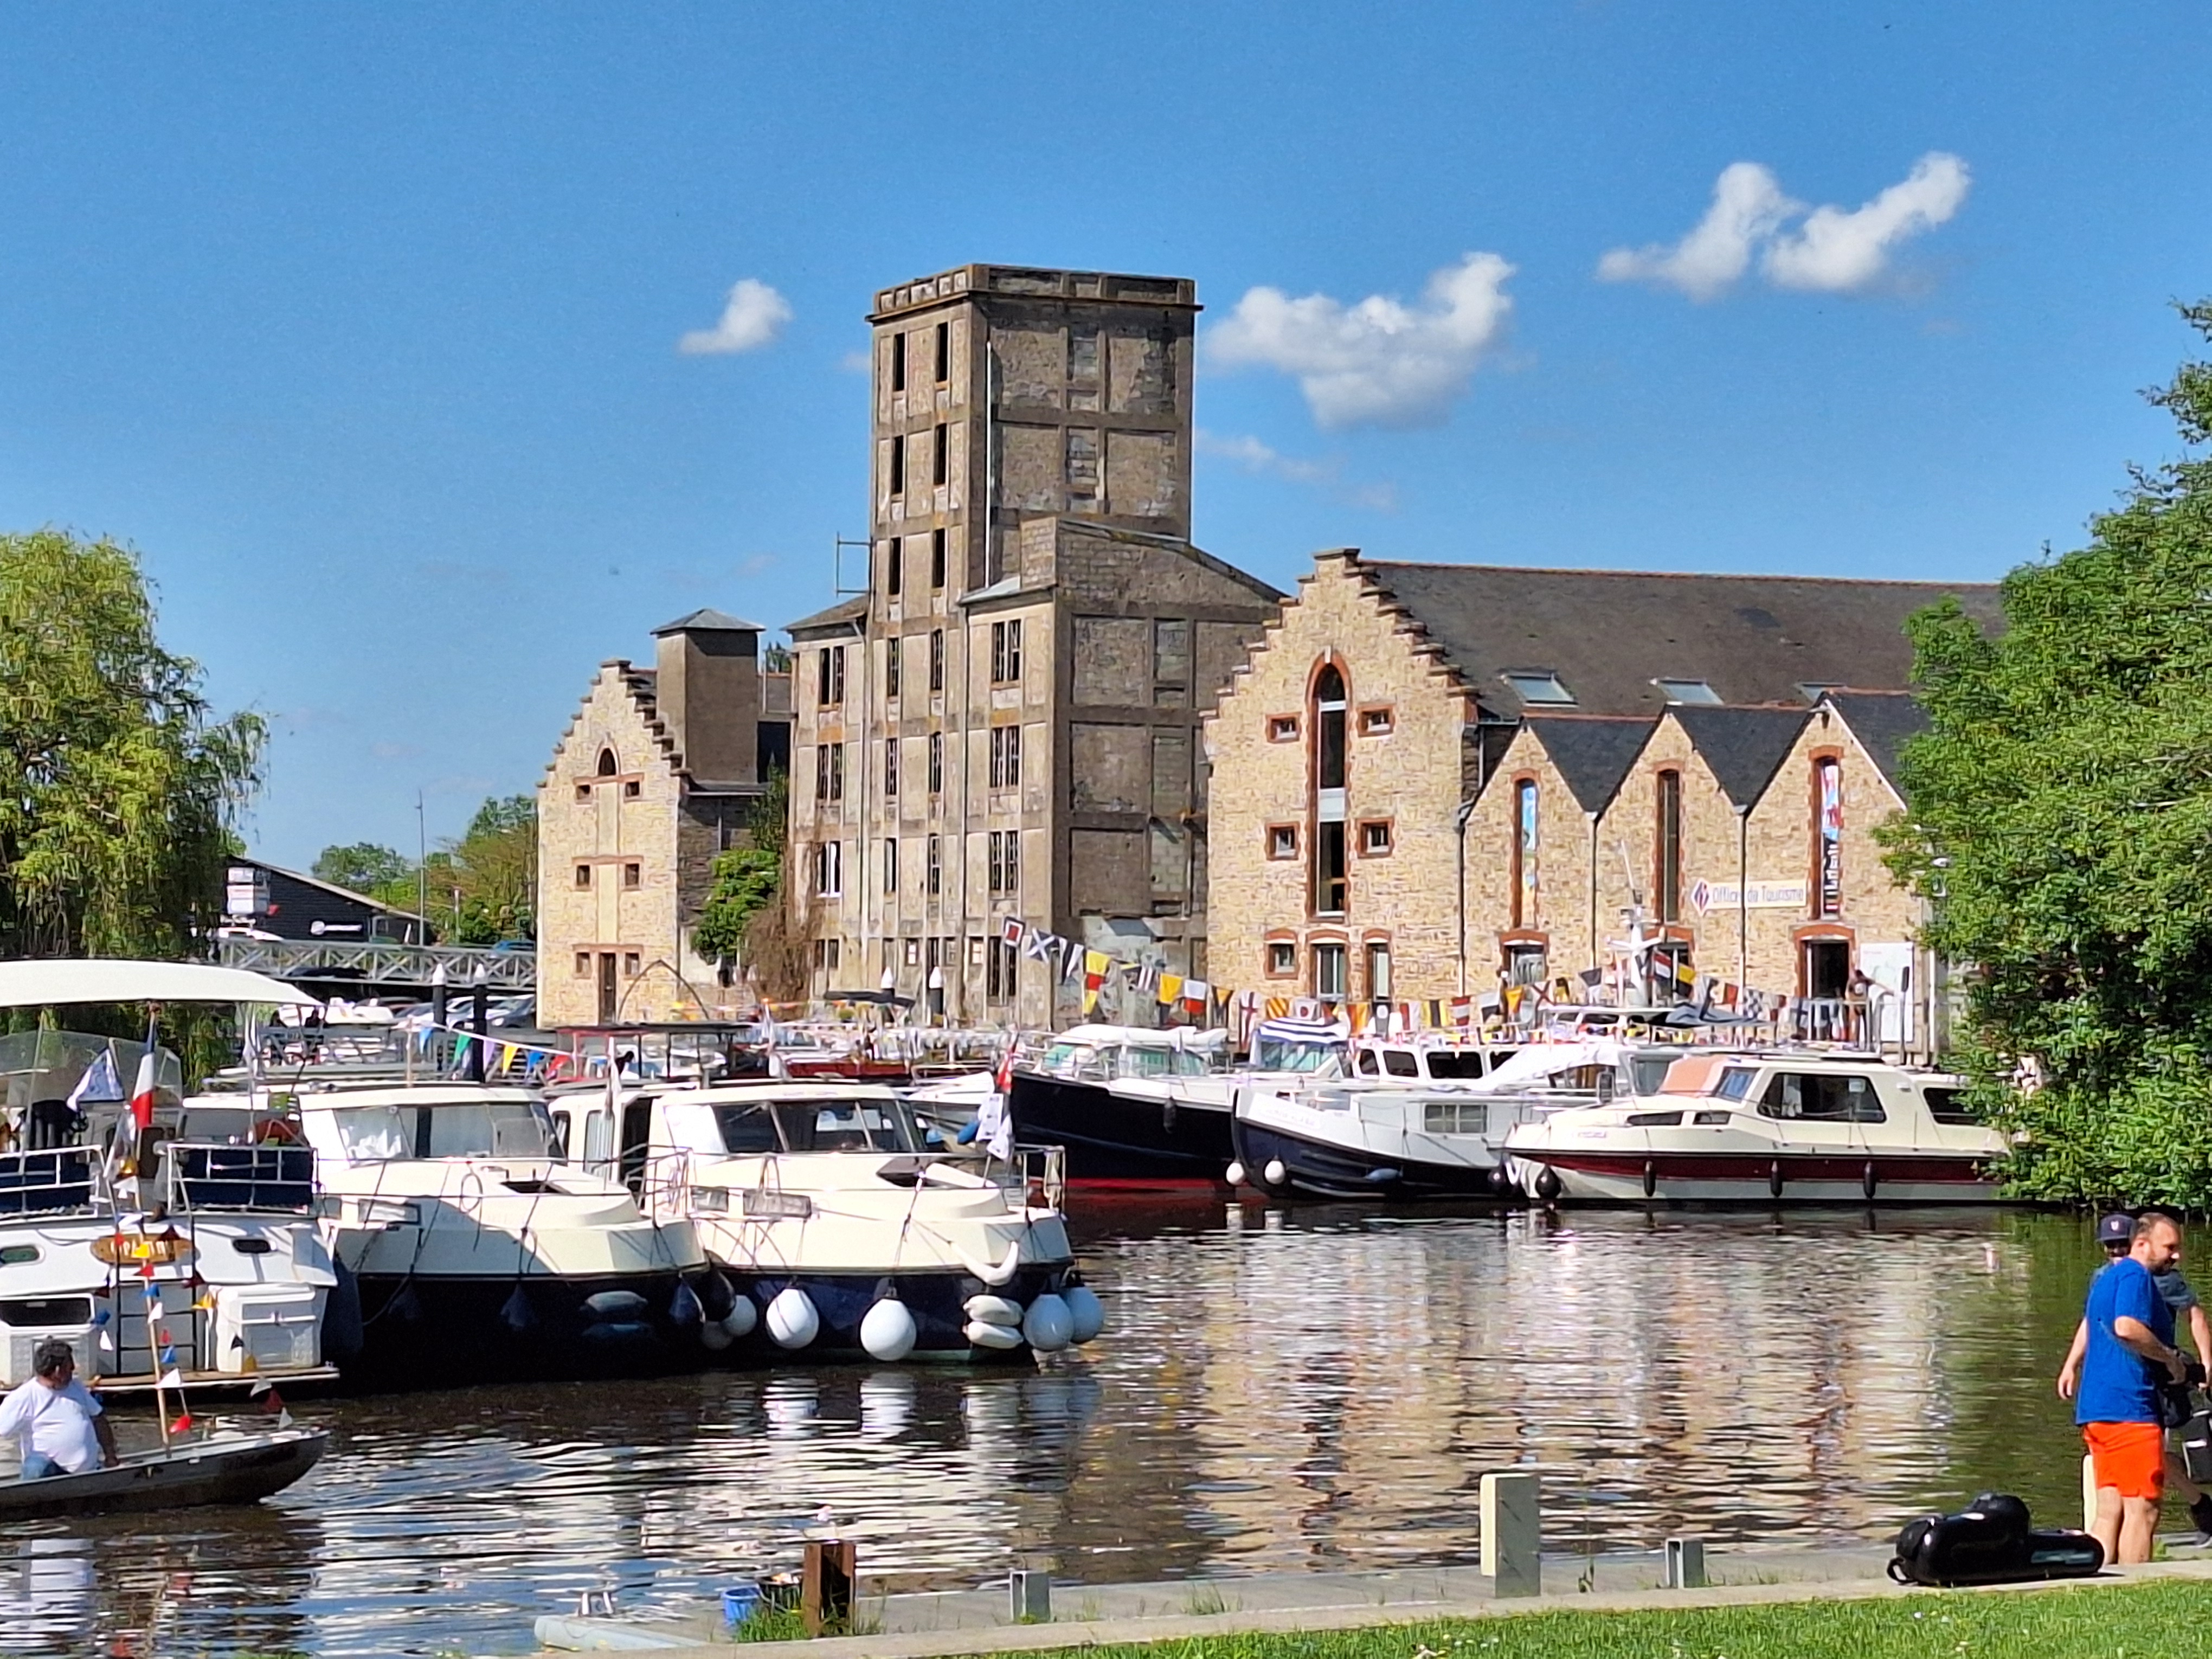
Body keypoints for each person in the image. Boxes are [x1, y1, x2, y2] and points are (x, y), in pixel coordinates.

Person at [2058, 1212, 2212, 1538]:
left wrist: (2204, 1363)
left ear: (2133, 1243)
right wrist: (2071, 1363)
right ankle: (2198, 1503)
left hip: (2125, 1397)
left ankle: (2197, 1502)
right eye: (2110, 1246)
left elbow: (2195, 1315)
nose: (2116, 1251)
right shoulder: (2121, 1276)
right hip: (2130, 1399)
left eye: (2120, 1245)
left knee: (2117, 1504)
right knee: (2142, 1506)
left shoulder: (2160, 1279)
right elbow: (2118, 1325)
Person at [0, 1340, 119, 1480]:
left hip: (86, 1472)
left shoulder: (76, 1386)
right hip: (47, 1471)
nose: (74, 1369)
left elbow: (99, 1420)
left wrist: (110, 1456)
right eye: (70, 1366)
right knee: (36, 1466)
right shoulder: (24, 1396)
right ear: (58, 1370)